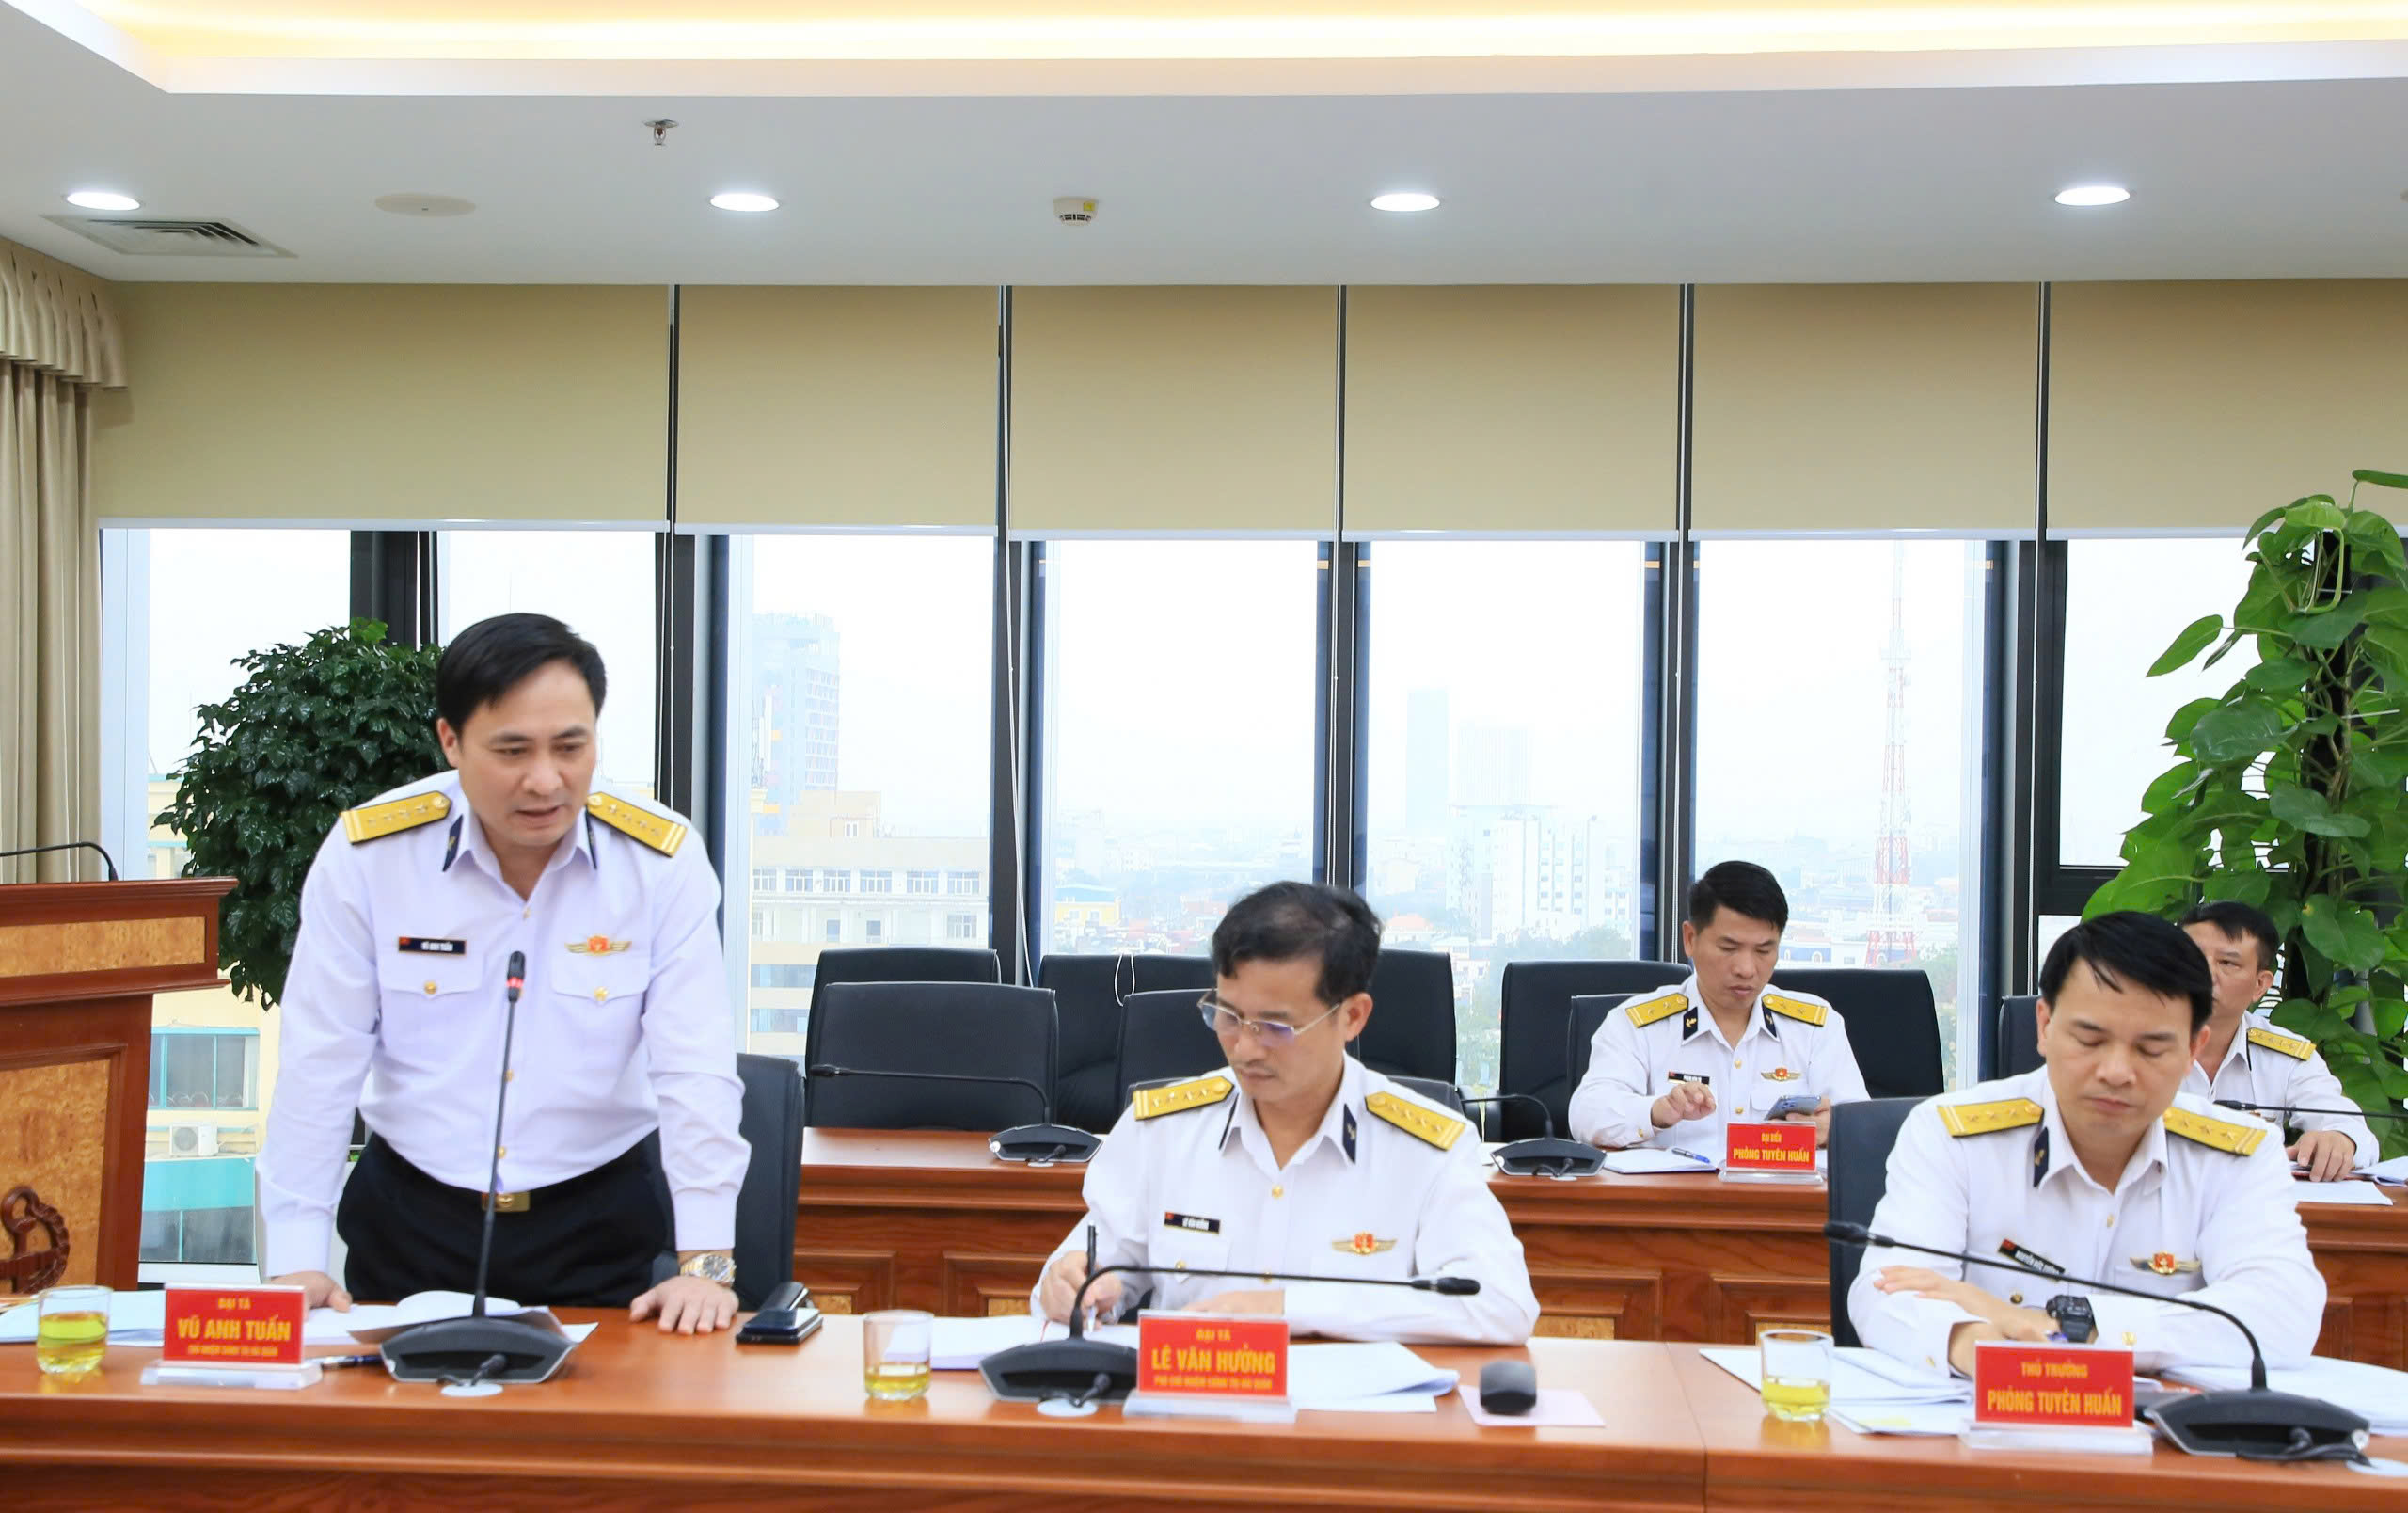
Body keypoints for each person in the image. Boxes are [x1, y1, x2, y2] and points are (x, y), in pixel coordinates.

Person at [257, 613, 751, 1334]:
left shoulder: (658, 864)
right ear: (451, 740)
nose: (545, 780)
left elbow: (694, 1068)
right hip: (411, 1222)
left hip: (595, 1224)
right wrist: (296, 1260)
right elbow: (320, 1062)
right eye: (512, 750)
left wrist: (706, 1265)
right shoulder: (371, 856)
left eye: (570, 748)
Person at [1033, 882, 1538, 1344]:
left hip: (1349, 1409)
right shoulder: (1163, 1131)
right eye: (1228, 1017)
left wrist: (1288, 1309)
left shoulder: (1425, 1150)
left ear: (1352, 1016)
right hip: (1195, 1403)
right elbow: (1079, 1276)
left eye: (1275, 1027)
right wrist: (1069, 1285)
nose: (1245, 1049)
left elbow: (1501, 1305)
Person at [1849, 910, 2323, 1376]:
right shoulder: (1953, 1135)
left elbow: (2283, 1313)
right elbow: (1886, 1292)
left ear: (2192, 1050)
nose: (2116, 1072)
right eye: (2090, 1040)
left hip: (2167, 1423)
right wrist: (1979, 1343)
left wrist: (2072, 1327)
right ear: (2044, 1026)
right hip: (1987, 1410)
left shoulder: (2238, 1154)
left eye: (2151, 1049)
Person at [1568, 861, 1866, 1152]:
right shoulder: (1637, 1024)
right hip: (1674, 1187)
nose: (1746, 969)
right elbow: (1586, 1114)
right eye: (1728, 948)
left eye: (1764, 950)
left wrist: (1834, 1130)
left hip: (1783, 1186)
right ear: (1690, 939)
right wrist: (1656, 1111)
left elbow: (1865, 1126)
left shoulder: (1814, 1027)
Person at [2179, 900, 2377, 1181]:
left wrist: (2340, 1140)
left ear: (2260, 985)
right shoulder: (2127, 1040)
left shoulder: (2284, 1055)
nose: (2205, 974)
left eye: (2227, 962)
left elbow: (2350, 1128)